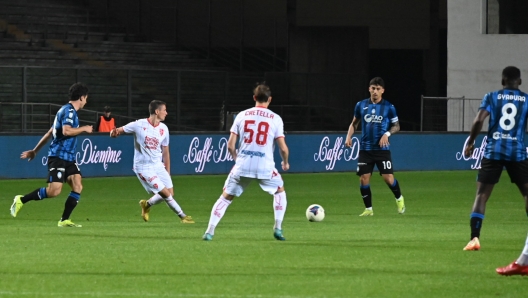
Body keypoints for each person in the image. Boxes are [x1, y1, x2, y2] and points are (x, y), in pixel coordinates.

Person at [202, 83, 290, 241]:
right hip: (265, 167)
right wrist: (285, 162)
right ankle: (278, 227)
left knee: (225, 198)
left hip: (242, 165)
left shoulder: (242, 115)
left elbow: (230, 145)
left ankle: (210, 231)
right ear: (269, 99)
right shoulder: (276, 119)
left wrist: (237, 160)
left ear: (254, 98)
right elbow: (283, 148)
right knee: (279, 191)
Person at [463, 66, 528, 251]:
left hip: (494, 151)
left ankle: (474, 238)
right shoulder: (526, 100)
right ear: (520, 82)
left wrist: (471, 142)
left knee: (482, 195)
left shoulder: (491, 96)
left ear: (502, 81)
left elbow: (478, 120)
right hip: (517, 152)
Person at [10, 82, 93, 227]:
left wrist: (35, 151)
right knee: (54, 191)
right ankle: (21, 200)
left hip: (69, 158)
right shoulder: (69, 112)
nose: (86, 101)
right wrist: (84, 128)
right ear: (81, 97)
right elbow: (67, 131)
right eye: (86, 98)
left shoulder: (65, 111)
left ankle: (64, 220)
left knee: (77, 185)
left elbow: (50, 132)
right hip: (58, 156)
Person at [110, 100, 194, 224]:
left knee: (170, 192)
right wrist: (114, 133)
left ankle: (147, 205)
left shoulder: (164, 129)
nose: (166, 113)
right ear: (156, 111)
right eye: (164, 110)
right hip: (143, 167)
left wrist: (167, 172)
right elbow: (116, 131)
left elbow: (166, 151)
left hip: (158, 165)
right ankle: (183, 216)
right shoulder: (138, 124)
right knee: (165, 193)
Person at [344, 77, 405, 216]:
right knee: (363, 178)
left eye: (378, 89)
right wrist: (348, 136)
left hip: (382, 150)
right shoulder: (360, 105)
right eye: (373, 88)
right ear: (369, 89)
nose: (375, 91)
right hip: (365, 149)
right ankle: (368, 209)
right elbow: (354, 124)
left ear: (382, 91)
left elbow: (397, 126)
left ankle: (399, 198)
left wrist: (387, 134)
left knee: (388, 178)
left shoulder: (389, 107)